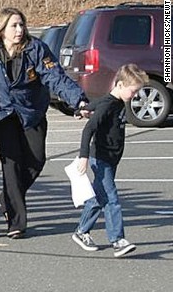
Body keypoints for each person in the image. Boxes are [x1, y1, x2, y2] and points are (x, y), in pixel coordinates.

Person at [0, 7, 88, 239]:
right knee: (11, 166)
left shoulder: (35, 49)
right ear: (1, 29)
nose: (19, 30)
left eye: (21, 25)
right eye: (14, 26)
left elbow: (56, 78)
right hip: (1, 115)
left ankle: (6, 200)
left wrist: (79, 101)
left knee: (36, 161)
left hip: (31, 112)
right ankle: (16, 222)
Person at [71, 64, 148, 258]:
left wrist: (82, 110)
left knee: (99, 197)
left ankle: (81, 232)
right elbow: (89, 129)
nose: (135, 95)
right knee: (111, 199)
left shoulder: (115, 101)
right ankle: (118, 240)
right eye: (133, 91)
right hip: (101, 159)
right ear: (120, 85)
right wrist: (83, 156)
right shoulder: (109, 104)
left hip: (112, 158)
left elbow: (95, 104)